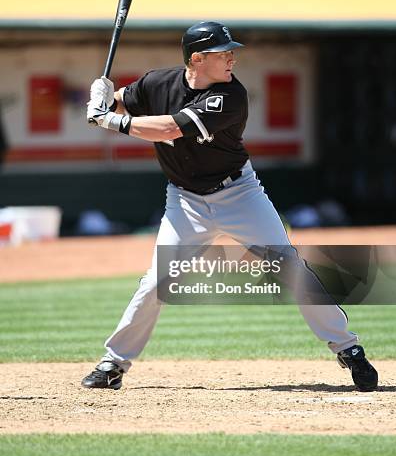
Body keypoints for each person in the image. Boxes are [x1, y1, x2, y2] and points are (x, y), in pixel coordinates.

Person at [83, 21, 378, 392]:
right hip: (185, 200)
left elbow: (169, 129)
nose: (232, 58)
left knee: (290, 268)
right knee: (156, 281)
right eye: (224, 53)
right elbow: (123, 101)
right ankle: (114, 363)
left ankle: (348, 348)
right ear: (197, 58)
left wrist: (110, 119)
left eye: (231, 51)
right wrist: (103, 97)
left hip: (239, 194)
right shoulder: (158, 82)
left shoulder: (230, 96)